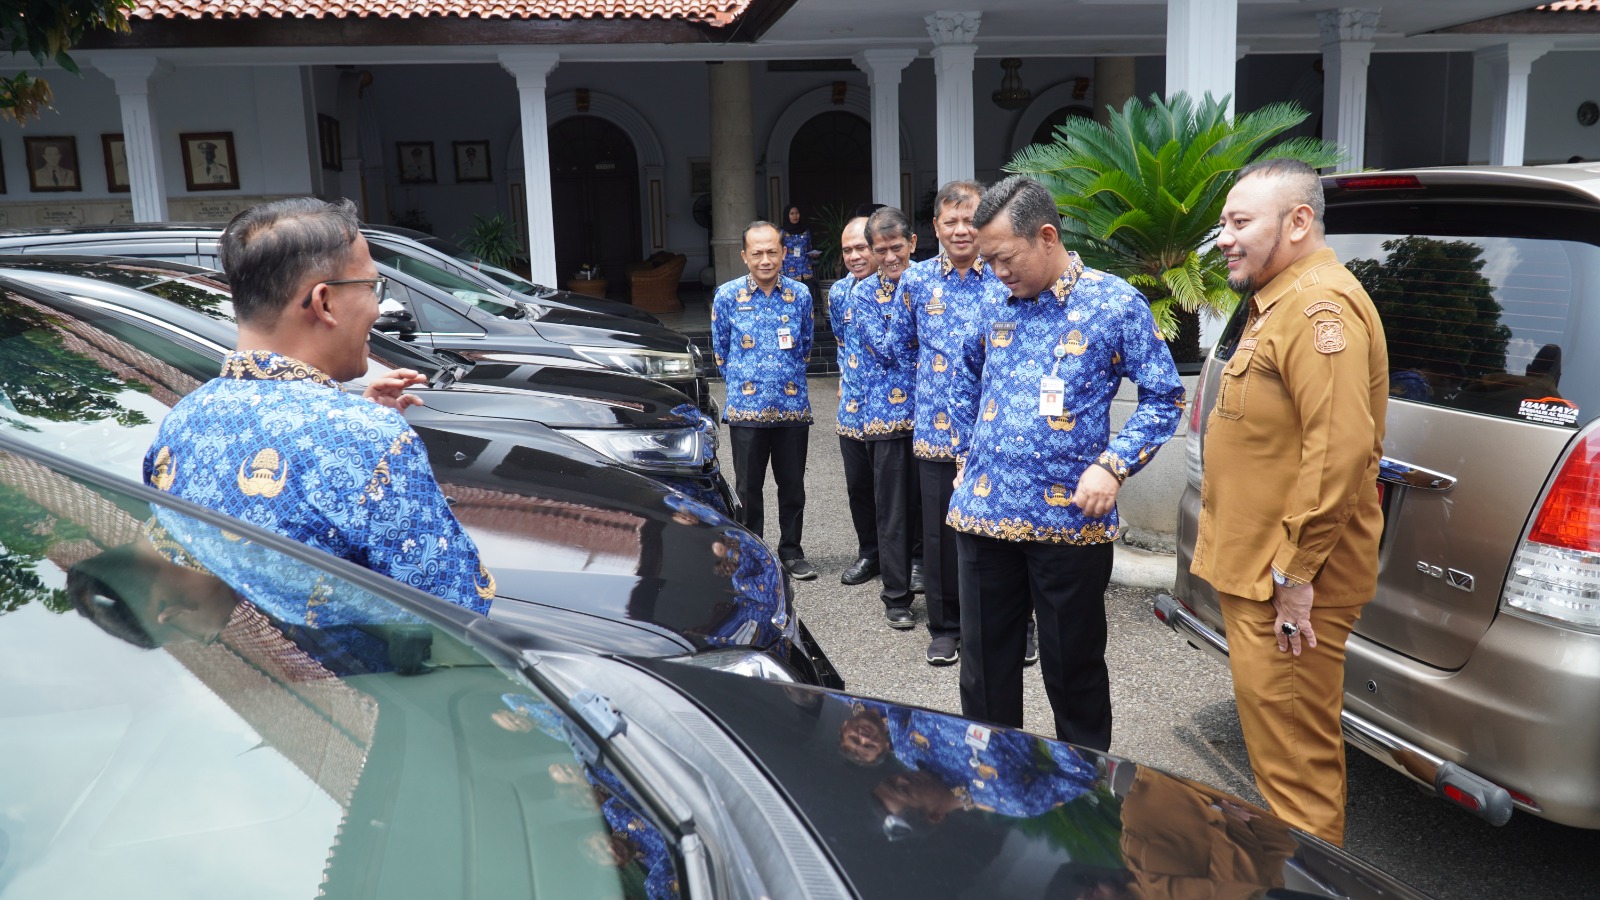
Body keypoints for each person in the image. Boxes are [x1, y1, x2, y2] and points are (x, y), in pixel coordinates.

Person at [142, 197, 496, 614]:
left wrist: (358, 421)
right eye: (372, 288)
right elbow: (459, 611)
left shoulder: (182, 421)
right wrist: (369, 437)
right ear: (325, 302)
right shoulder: (368, 442)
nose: (379, 309)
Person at [1189, 158, 1387, 846]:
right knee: (1280, 762)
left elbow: (1337, 453)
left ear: (1298, 221)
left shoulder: (1314, 308)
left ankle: (1311, 885)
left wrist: (1296, 577)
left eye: (1241, 222)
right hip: (1262, 576)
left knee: (1296, 778)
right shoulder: (1280, 299)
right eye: (1223, 224)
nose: (1225, 239)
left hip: (1287, 590)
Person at [949, 176, 1183, 751]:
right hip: (984, 514)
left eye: (1004, 258)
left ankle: (1083, 801)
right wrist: (965, 453)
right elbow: (964, 378)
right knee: (984, 669)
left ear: (1046, 236)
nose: (996, 272)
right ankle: (991, 785)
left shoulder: (1113, 302)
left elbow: (1164, 395)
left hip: (1068, 525)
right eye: (987, 261)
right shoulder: (988, 296)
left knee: (1072, 669)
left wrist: (1114, 464)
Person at [887, 180, 1029, 666]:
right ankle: (945, 627)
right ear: (935, 228)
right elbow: (900, 346)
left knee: (1006, 530)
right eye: (951, 221)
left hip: (999, 432)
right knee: (941, 536)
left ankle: (1018, 624)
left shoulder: (1007, 277)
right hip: (936, 431)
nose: (962, 230)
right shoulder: (917, 281)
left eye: (970, 220)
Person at [710, 220, 817, 580]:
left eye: (773, 251)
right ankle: (753, 551)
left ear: (785, 253)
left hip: (792, 408)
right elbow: (720, 352)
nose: (766, 259)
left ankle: (791, 551)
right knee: (747, 488)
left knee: (792, 486)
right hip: (746, 410)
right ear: (744, 256)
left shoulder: (800, 295)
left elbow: (804, 347)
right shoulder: (727, 296)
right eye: (757, 252)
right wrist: (746, 384)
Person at [843, 206, 921, 628]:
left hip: (933, 416)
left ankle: (937, 585)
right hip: (884, 418)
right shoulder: (863, 294)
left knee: (933, 509)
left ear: (912, 243)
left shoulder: (932, 281)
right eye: (881, 250)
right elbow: (890, 349)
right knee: (891, 512)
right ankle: (896, 597)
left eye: (897, 248)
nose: (890, 258)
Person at [831, 216, 883, 587]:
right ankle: (870, 553)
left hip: (896, 408)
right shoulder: (838, 292)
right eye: (847, 249)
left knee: (900, 491)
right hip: (852, 408)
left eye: (861, 247)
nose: (854, 255)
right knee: (859, 486)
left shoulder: (907, 285)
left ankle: (913, 559)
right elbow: (841, 341)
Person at [780, 204, 814, 282]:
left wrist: (813, 255)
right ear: (787, 216)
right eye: (792, 214)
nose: (795, 216)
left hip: (805, 272)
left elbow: (809, 248)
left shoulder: (805, 231)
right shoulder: (782, 232)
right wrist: (781, 272)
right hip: (789, 273)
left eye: (797, 213)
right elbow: (779, 252)